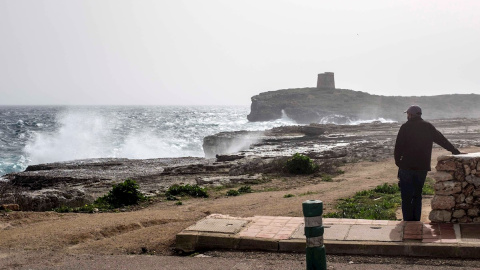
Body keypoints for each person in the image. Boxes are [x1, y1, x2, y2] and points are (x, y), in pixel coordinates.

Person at [394, 105, 462, 221]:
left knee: (406, 196)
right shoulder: (428, 126)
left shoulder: (405, 127)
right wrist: (454, 151)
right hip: (422, 167)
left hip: (406, 167)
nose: (407, 116)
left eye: (407, 114)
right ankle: (416, 220)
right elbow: (441, 139)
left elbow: (398, 147)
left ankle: (407, 221)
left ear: (410, 115)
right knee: (417, 195)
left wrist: (398, 162)